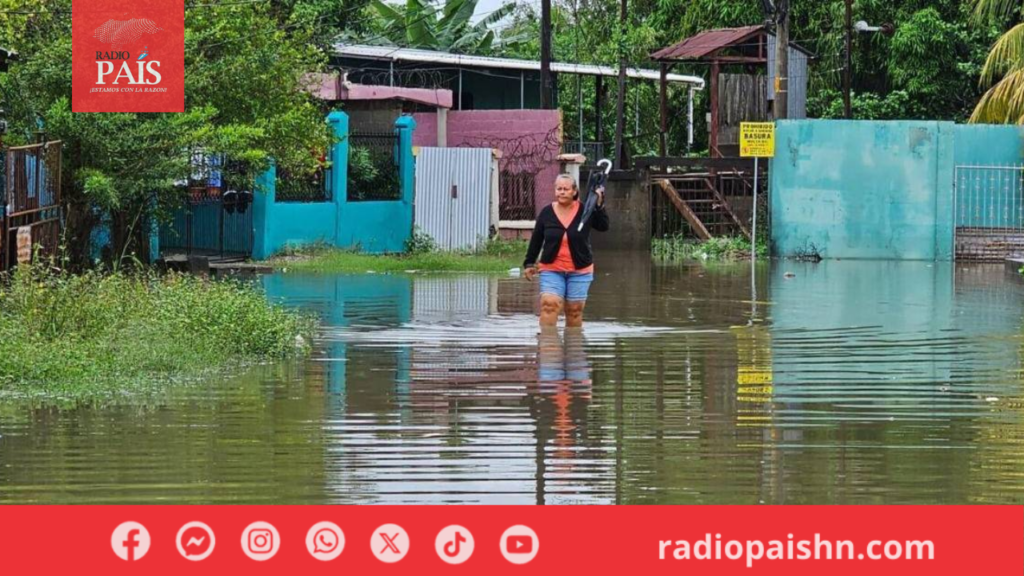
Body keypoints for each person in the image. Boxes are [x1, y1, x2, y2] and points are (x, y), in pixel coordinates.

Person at [523, 174, 609, 327]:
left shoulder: (585, 210)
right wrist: (529, 263)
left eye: (566, 189)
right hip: (551, 268)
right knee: (549, 305)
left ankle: (573, 347)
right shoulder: (546, 212)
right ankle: (548, 346)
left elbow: (603, 226)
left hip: (580, 269)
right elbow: (537, 239)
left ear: (574, 191)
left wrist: (599, 205)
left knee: (574, 310)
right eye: (559, 189)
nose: (562, 192)